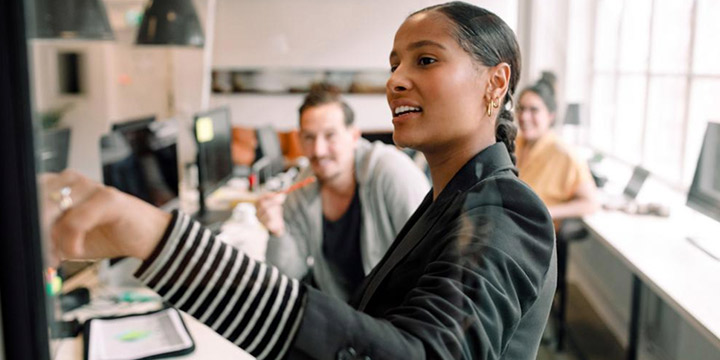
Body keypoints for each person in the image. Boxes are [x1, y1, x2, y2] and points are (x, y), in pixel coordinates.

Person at [43, 2, 556, 359]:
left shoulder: (509, 208)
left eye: (425, 59)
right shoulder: (453, 200)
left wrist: (160, 242)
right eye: (394, 63)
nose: (395, 79)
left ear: (496, 83)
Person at [256, 84, 429, 301]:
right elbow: (287, 276)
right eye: (309, 137)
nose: (318, 150)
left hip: (397, 312)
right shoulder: (302, 187)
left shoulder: (392, 172)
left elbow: (430, 259)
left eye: (330, 136)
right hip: (344, 316)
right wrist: (277, 230)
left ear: (354, 136)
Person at [515, 73, 599, 224]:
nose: (524, 116)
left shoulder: (565, 155)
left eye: (534, 110)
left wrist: (546, 212)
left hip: (534, 236)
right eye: (521, 109)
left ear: (551, 116)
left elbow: (591, 203)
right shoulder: (514, 142)